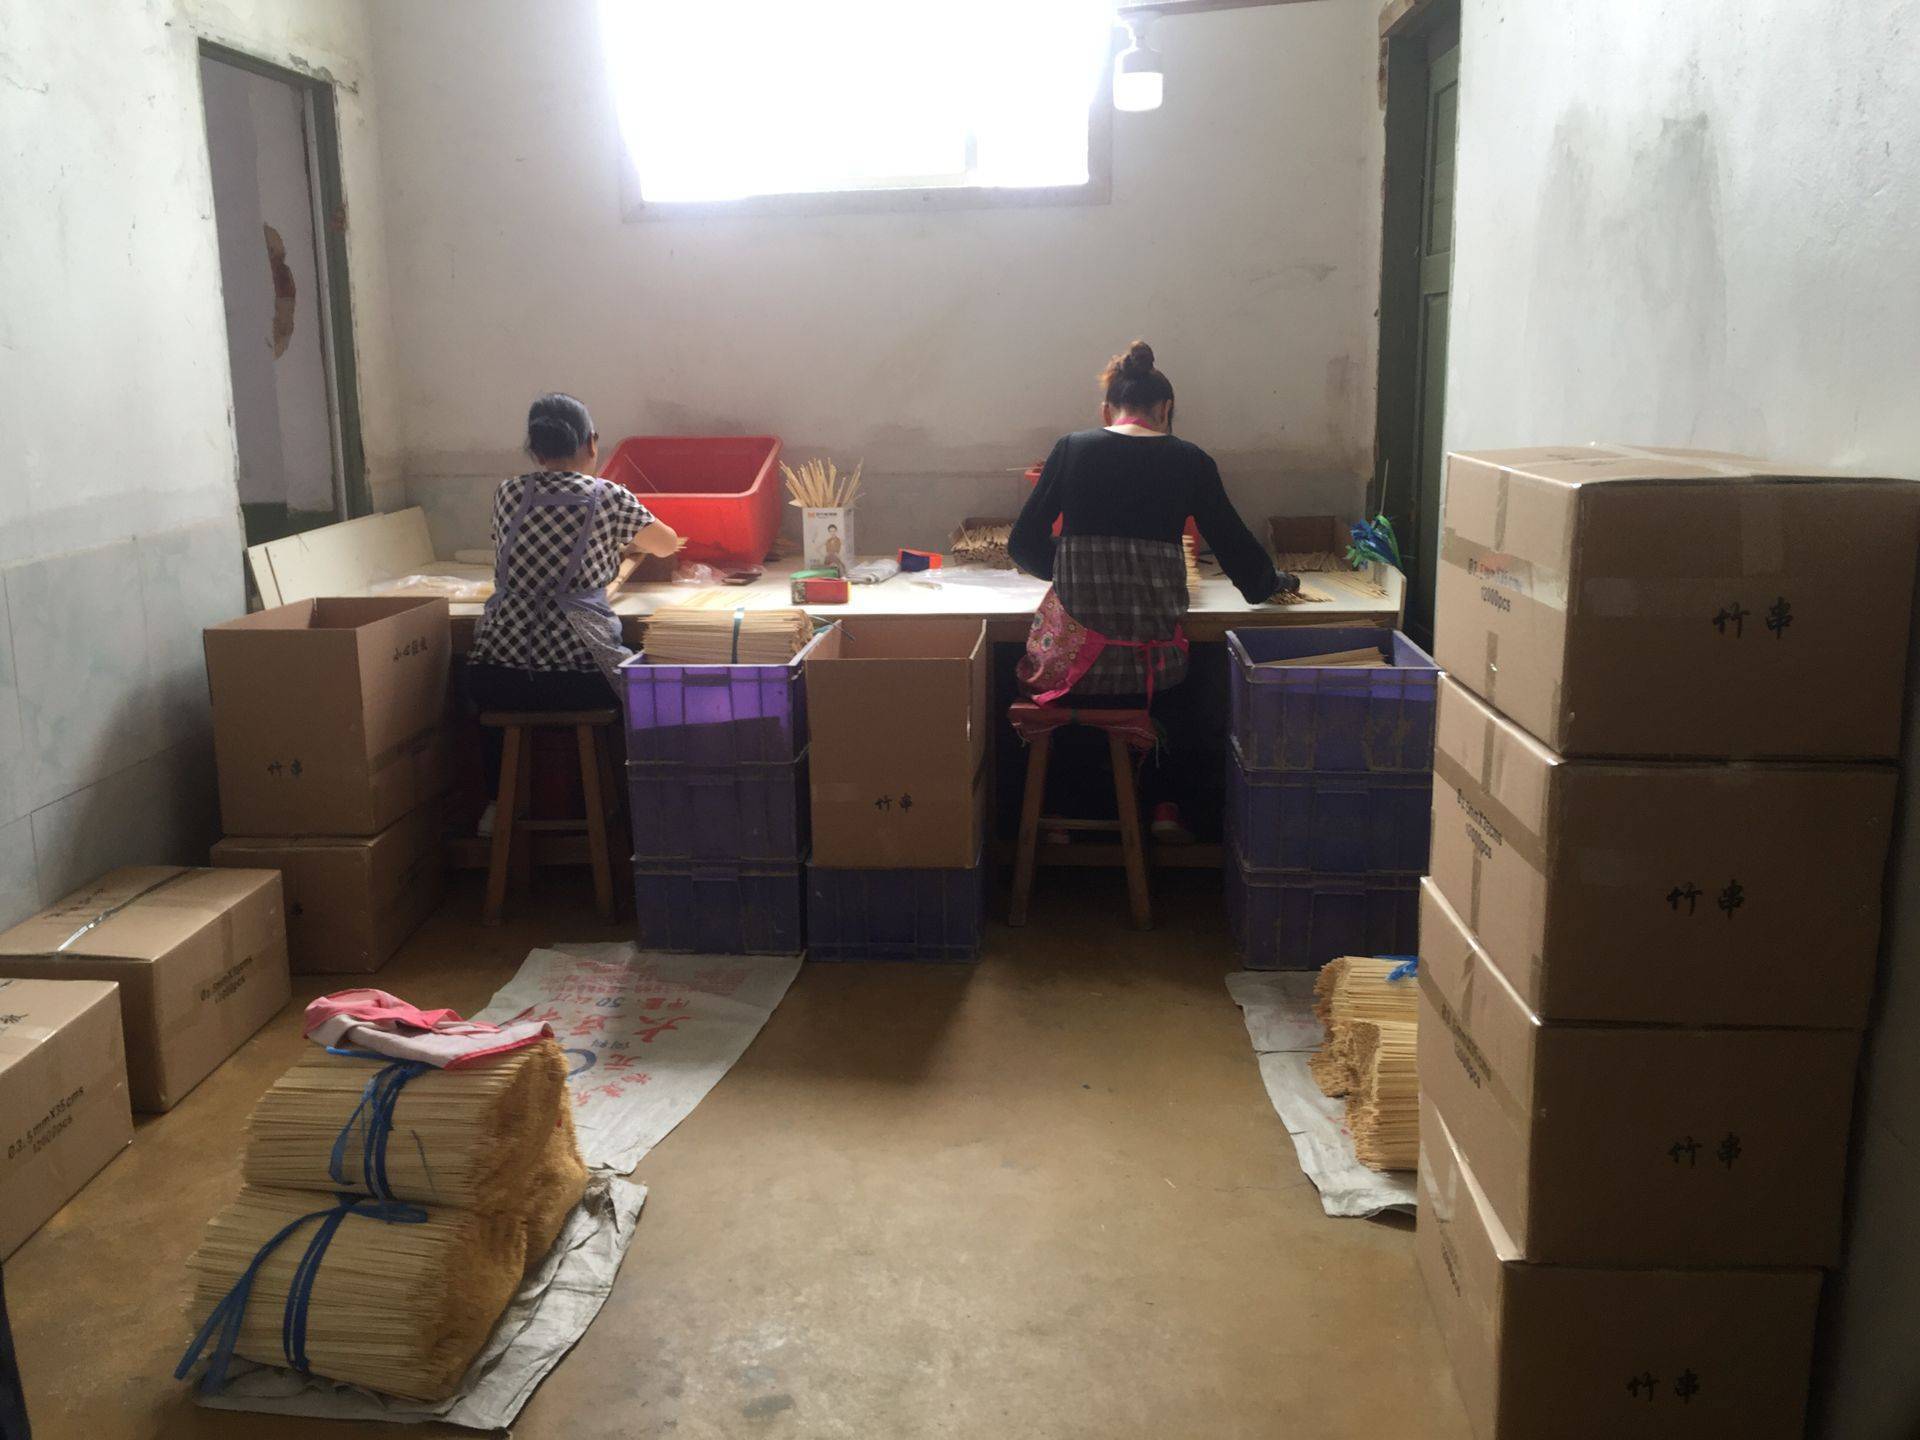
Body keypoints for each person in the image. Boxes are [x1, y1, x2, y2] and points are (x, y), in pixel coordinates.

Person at [1008, 340, 1293, 842]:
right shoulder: (1190, 461)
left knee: (1040, 681)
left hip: (1075, 667)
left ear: (1106, 411)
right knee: (1201, 673)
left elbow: (1022, 544)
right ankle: (1167, 806)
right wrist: (1275, 583)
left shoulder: (1071, 449)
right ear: (1166, 411)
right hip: (1154, 670)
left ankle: (1062, 813)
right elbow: (1241, 559)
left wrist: (1070, 572)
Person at [465, 393, 683, 833]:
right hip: (579, 681)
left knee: (482, 685)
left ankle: (497, 803)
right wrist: (621, 546)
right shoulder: (609, 496)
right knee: (646, 679)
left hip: (497, 678)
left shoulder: (508, 493)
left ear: (534, 448)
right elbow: (667, 543)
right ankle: (633, 816)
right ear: (592, 443)